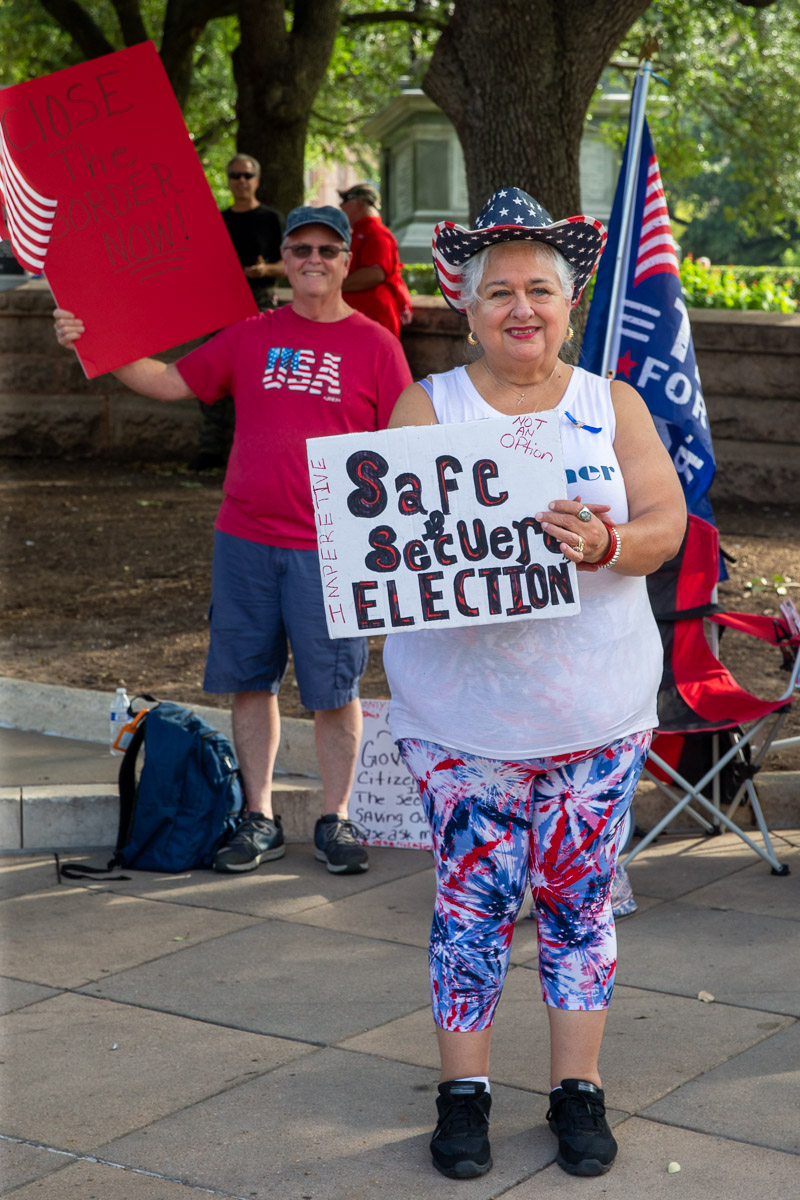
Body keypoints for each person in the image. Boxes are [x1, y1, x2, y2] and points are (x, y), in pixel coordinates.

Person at [383, 187, 686, 1180]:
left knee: (575, 907)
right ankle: (461, 1097)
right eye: (498, 290)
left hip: (593, 715)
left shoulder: (613, 403)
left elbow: (662, 524)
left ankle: (576, 1092)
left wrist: (606, 541)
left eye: (540, 290)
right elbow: (390, 548)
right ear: (463, 306)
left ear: (569, 302)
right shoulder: (428, 405)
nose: (521, 307)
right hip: (460, 720)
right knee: (468, 912)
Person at [54, 204, 412, 877]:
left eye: (327, 250)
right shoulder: (253, 334)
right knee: (251, 684)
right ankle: (260, 817)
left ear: (343, 261)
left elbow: (406, 445)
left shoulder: (376, 345)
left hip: (331, 550)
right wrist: (90, 340)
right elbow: (165, 380)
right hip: (245, 541)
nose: (313, 260)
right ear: (284, 256)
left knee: (334, 692)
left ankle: (337, 818)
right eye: (300, 248)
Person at [190, 154, 285, 472]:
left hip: (259, 303)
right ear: (229, 181)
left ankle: (253, 451)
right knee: (213, 372)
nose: (241, 181)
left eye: (247, 175)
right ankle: (210, 449)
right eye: (235, 175)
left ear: (257, 180)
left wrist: (265, 269)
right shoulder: (218, 219)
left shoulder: (272, 219)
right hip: (221, 304)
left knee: (259, 376)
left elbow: (291, 264)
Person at [339, 183, 411, 337]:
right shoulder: (361, 232)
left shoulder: (376, 233)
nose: (340, 206)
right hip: (362, 319)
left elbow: (374, 274)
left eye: (344, 201)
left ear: (357, 202)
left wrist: (334, 286)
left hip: (373, 319)